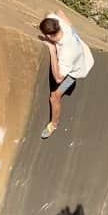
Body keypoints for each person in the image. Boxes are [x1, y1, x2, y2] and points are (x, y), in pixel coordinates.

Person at [38, 9, 94, 139]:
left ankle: (54, 124)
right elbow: (58, 11)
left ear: (50, 36)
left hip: (76, 70)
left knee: (55, 97)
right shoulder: (58, 23)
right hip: (80, 48)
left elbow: (58, 78)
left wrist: (52, 51)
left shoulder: (67, 53)